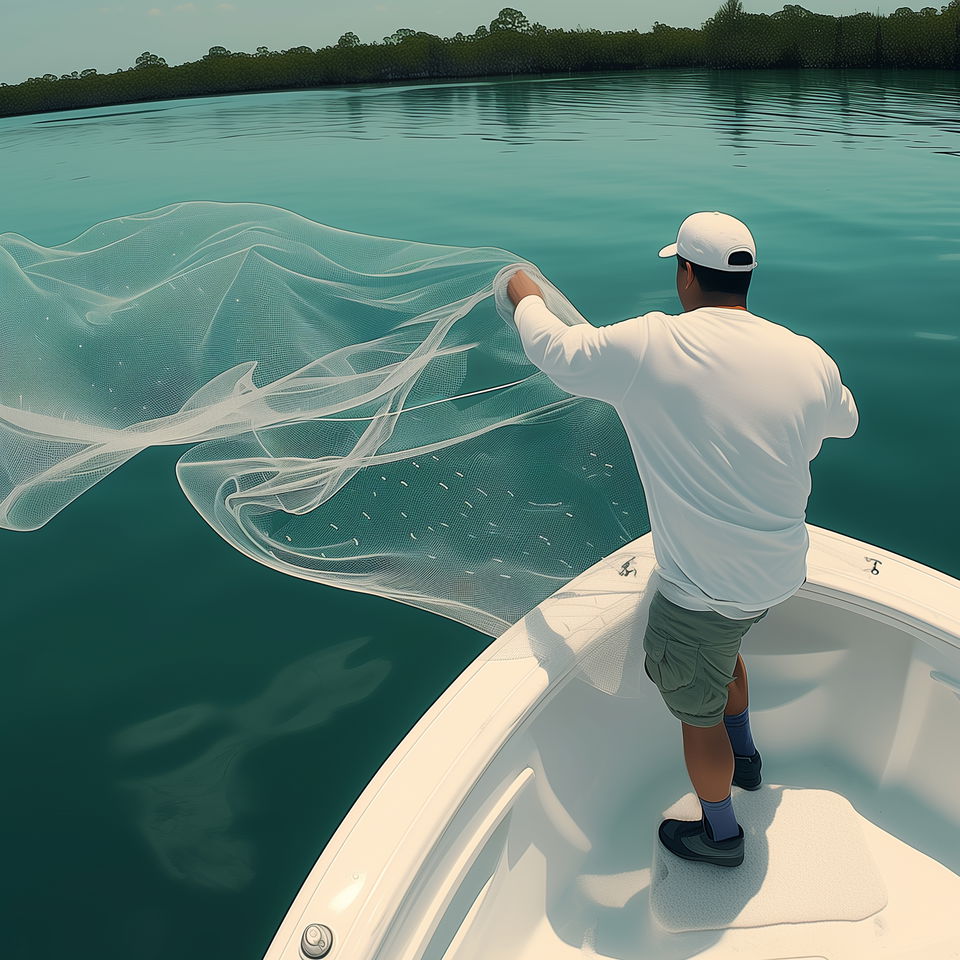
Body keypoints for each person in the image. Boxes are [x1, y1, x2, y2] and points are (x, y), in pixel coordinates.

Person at [506, 211, 859, 868]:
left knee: (697, 711)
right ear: (746, 277)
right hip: (777, 573)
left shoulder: (649, 344)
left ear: (687, 274)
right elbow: (846, 420)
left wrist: (524, 294)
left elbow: (552, 352)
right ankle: (748, 759)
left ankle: (722, 834)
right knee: (724, 650)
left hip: (705, 590)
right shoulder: (805, 355)